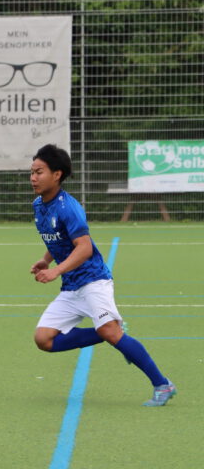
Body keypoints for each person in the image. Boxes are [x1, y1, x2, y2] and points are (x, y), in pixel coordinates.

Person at [28, 143, 176, 407]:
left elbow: (84, 248)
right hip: (71, 286)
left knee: (111, 331)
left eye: (39, 172)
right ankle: (109, 332)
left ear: (57, 175)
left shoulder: (68, 207)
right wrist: (45, 260)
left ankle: (162, 384)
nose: (33, 178)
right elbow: (58, 238)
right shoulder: (39, 205)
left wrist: (55, 271)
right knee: (43, 339)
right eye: (32, 172)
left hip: (93, 281)